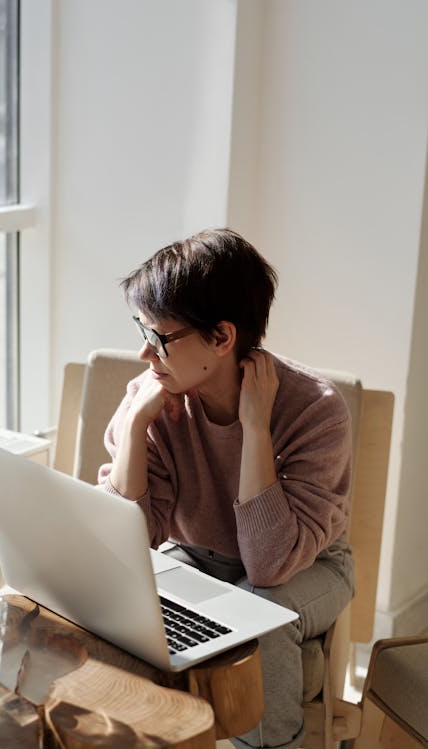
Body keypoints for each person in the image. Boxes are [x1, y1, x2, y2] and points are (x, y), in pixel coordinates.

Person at [98, 227, 354, 749]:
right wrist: (132, 428)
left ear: (222, 336)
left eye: (160, 337)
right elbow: (121, 546)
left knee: (258, 611)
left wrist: (254, 430)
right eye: (142, 330)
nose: (146, 354)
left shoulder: (315, 411)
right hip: (194, 553)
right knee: (119, 600)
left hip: (310, 565)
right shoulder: (154, 397)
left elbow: (269, 566)